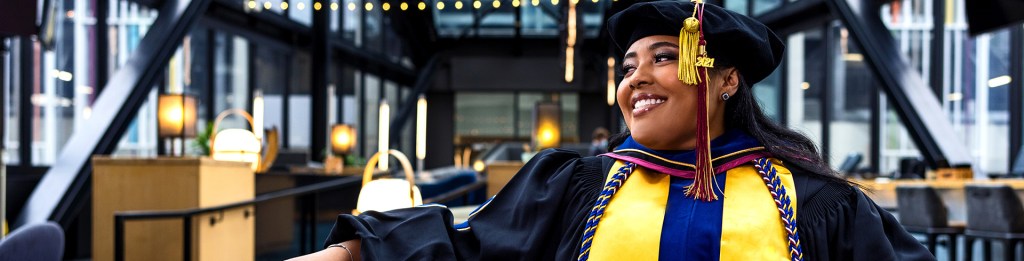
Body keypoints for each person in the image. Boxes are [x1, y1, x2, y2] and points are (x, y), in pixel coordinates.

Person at [291, 1, 932, 260]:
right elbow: (467, 249)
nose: (636, 80)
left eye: (663, 58)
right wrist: (350, 253)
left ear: (727, 79)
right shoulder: (578, 187)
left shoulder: (816, 205)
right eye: (629, 66)